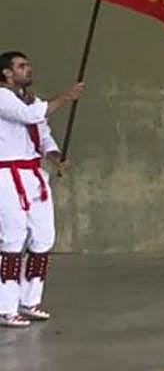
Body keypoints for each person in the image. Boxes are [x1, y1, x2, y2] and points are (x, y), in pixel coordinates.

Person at [0, 51, 84, 327]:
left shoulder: (33, 101)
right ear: (7, 73)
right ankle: (5, 306)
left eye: (28, 65)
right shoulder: (2, 98)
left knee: (44, 237)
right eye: (21, 66)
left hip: (33, 174)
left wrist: (55, 155)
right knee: (12, 237)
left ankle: (29, 300)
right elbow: (28, 116)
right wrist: (65, 98)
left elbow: (42, 131)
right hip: (6, 174)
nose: (28, 69)